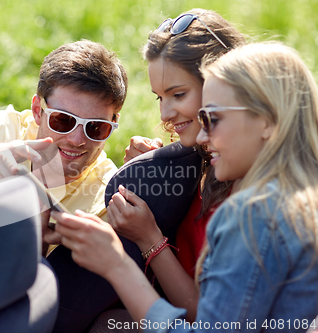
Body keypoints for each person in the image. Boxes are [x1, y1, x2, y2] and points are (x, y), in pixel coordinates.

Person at [54, 42, 318, 332]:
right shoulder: (300, 202)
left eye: (213, 118)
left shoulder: (251, 215)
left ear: (266, 121)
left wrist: (116, 264)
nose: (203, 135)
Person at [97, 8, 245, 323]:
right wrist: (152, 181)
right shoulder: (199, 158)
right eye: (159, 98)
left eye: (178, 94)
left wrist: (149, 238)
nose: (165, 114)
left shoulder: (249, 186)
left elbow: (209, 319)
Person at [0, 40, 128, 230]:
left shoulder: (108, 197)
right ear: (37, 110)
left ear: (114, 123)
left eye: (95, 127)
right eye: (63, 120)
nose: (76, 140)